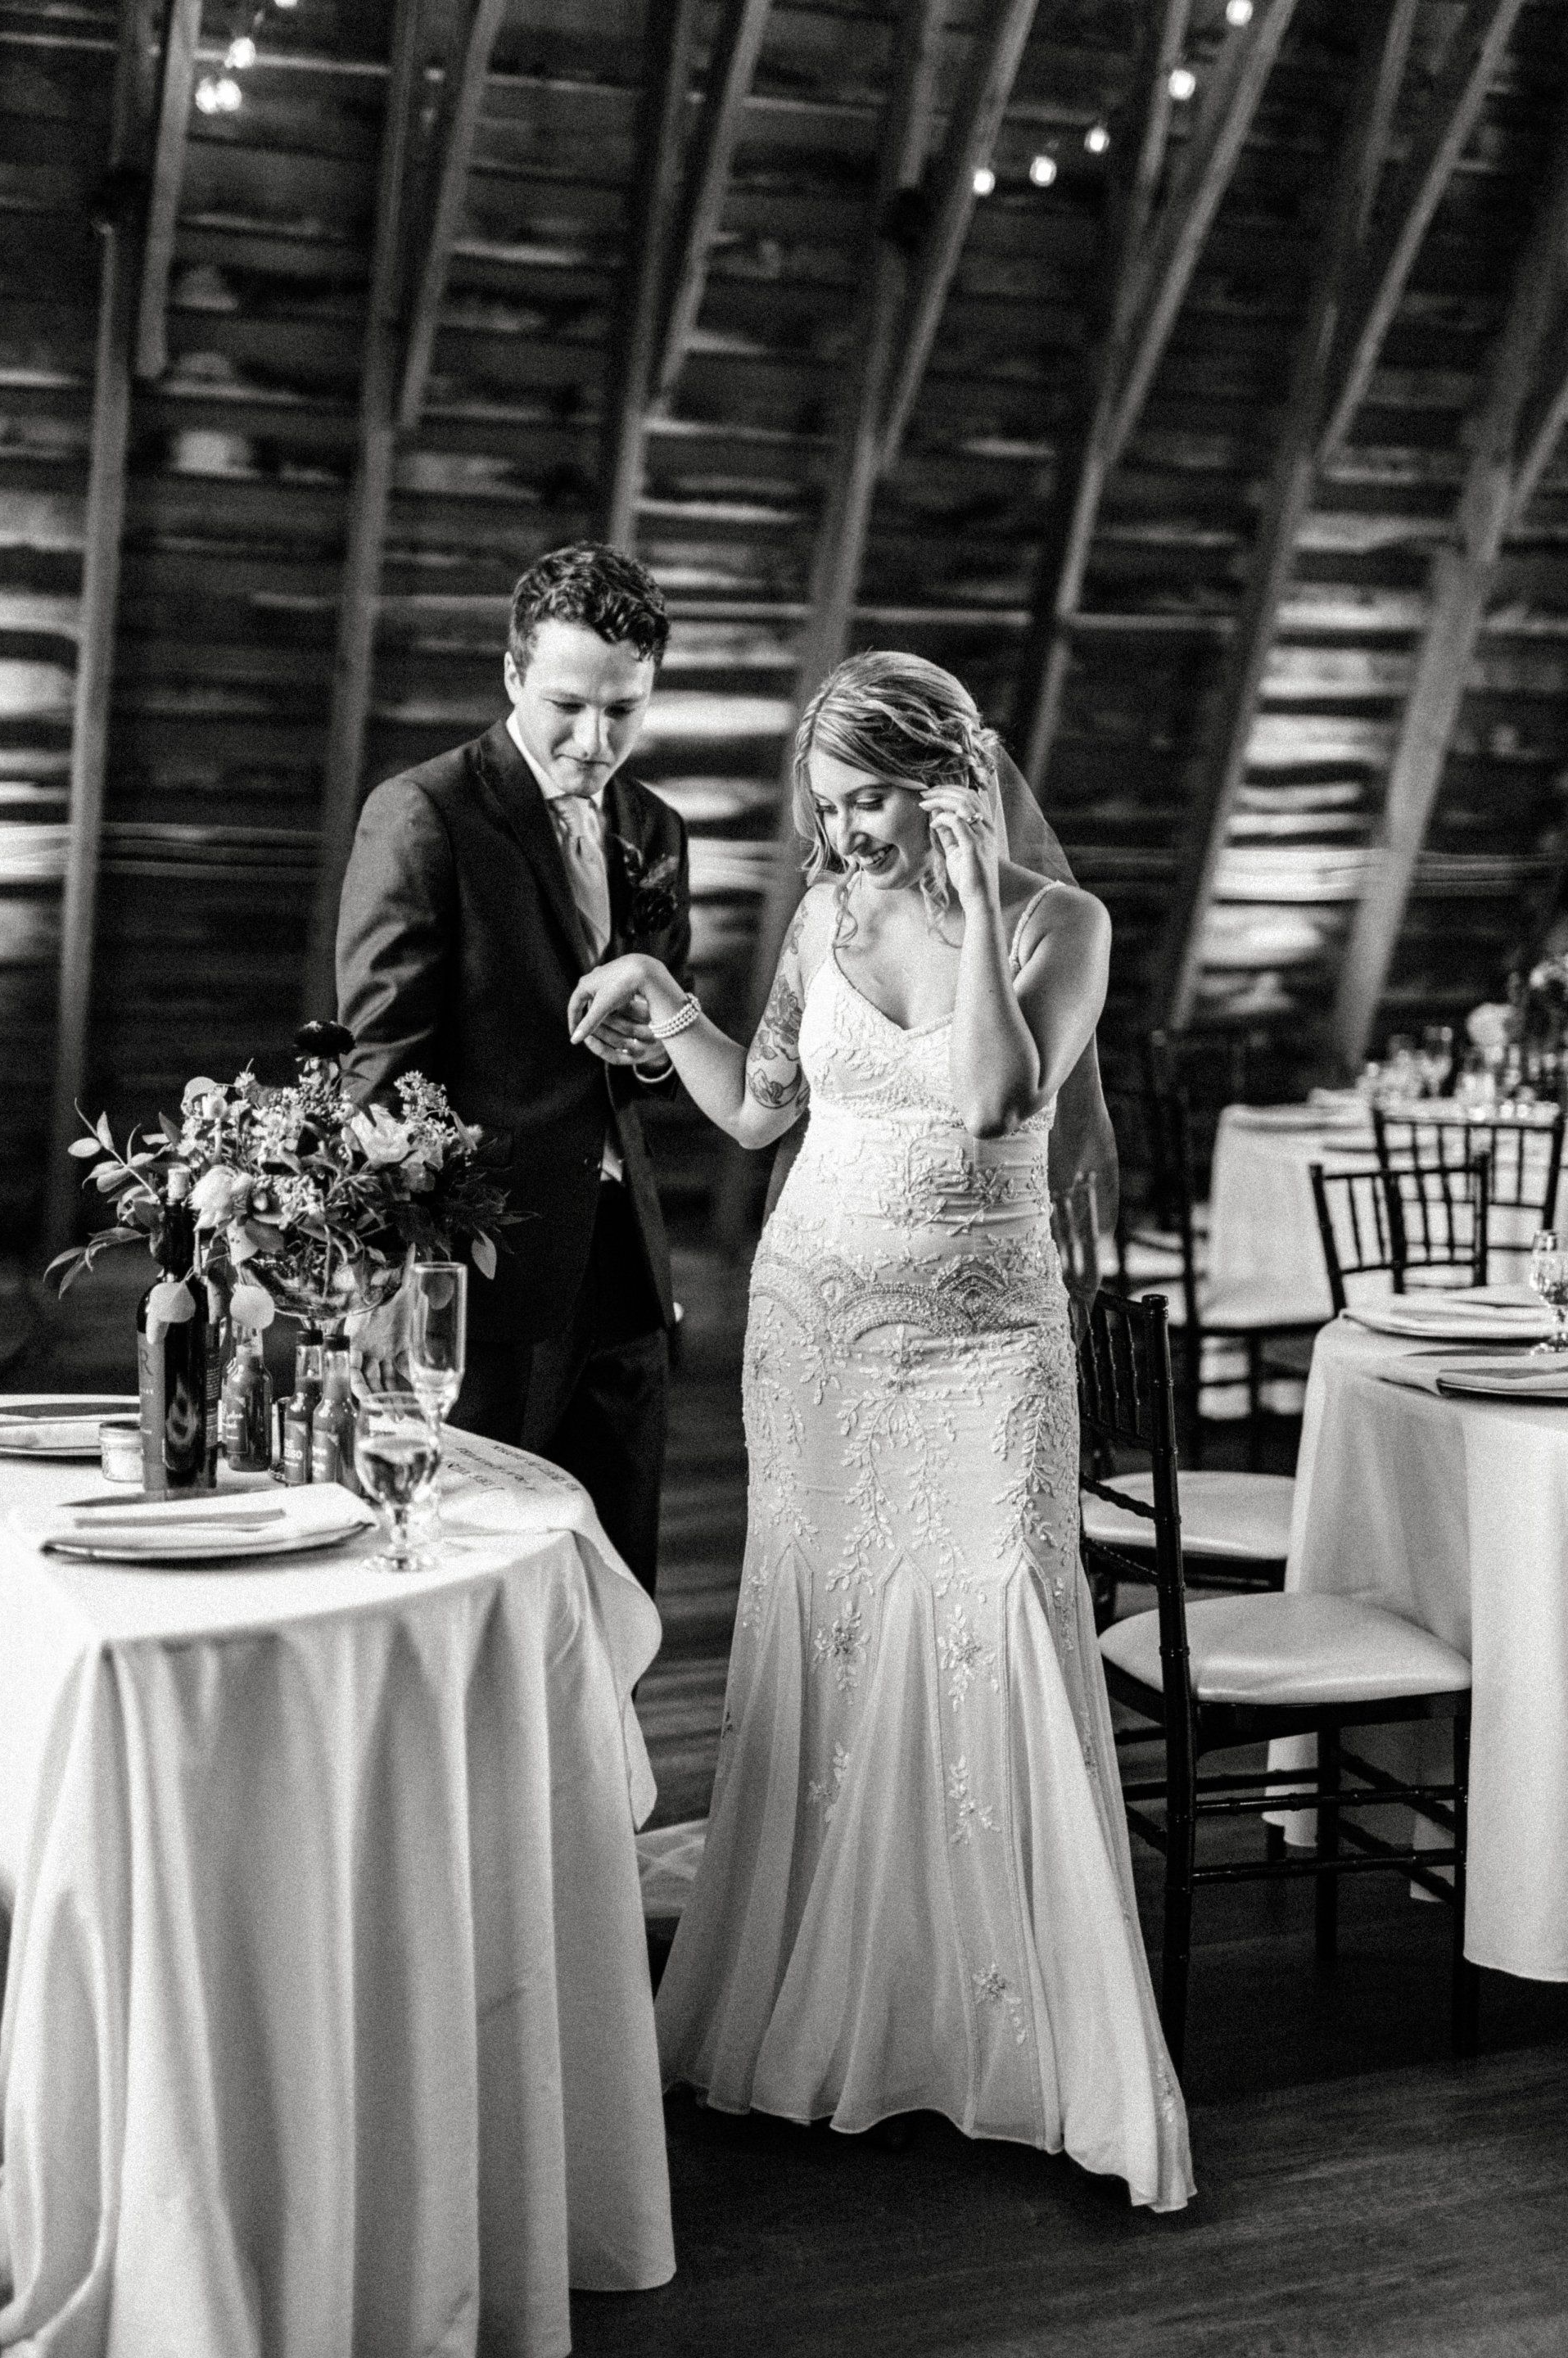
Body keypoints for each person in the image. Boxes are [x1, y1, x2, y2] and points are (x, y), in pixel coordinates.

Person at [568, 651, 1193, 2211]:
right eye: (828, 808)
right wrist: (667, 1004)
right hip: (818, 1342)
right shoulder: (822, 921)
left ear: (952, 787)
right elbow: (759, 1109)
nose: (843, 836)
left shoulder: (1061, 927)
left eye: (869, 804)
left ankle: (1019, 2044)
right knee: (836, 1638)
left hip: (986, 1350)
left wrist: (974, 904)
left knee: (995, 1622)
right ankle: (840, 2008)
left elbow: (994, 1098)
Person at [335, 543, 691, 1594]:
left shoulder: (656, 827)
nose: (595, 741)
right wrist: (396, 1283)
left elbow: (663, 1028)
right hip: (481, 1279)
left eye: (623, 711)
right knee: (480, 1577)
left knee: (617, 1578)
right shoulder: (425, 813)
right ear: (511, 675)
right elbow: (381, 1070)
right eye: (566, 706)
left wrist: (656, 1053)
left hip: (625, 1266)